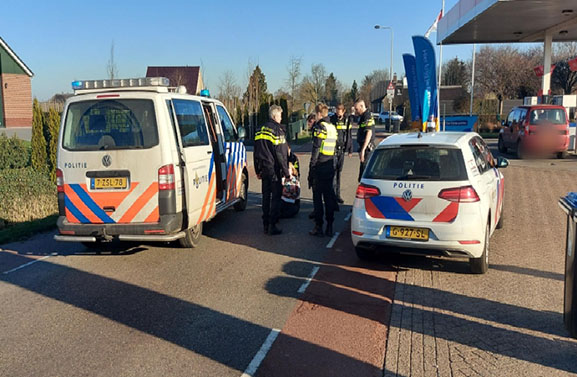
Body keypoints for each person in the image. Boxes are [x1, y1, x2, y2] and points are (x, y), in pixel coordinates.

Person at [254, 105, 290, 235]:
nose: (281, 118)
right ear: (275, 116)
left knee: (265, 196)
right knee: (275, 197)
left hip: (263, 167)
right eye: (280, 116)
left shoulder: (259, 129)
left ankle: (265, 223)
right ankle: (272, 225)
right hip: (274, 168)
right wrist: (286, 173)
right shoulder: (277, 130)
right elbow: (281, 154)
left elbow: (256, 151)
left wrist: (257, 169)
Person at [309, 103, 338, 237]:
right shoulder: (332, 127)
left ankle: (318, 226)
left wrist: (312, 167)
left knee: (318, 198)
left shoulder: (320, 127)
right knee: (329, 197)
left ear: (319, 114)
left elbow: (316, 149)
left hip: (320, 166)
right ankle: (330, 226)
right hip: (330, 164)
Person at [330, 104, 353, 204]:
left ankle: (338, 195)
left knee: (339, 173)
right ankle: (333, 196)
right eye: (337, 111)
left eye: (340, 111)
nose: (338, 113)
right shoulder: (332, 119)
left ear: (343, 111)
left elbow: (349, 134)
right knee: (333, 173)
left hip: (342, 150)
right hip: (333, 149)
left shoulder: (347, 120)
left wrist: (350, 149)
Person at [354, 99, 375, 182]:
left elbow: (369, 133)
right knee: (363, 174)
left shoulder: (367, 116)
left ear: (362, 106)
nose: (356, 111)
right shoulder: (362, 117)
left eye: (357, 109)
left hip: (367, 149)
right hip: (364, 148)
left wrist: (363, 150)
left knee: (365, 175)